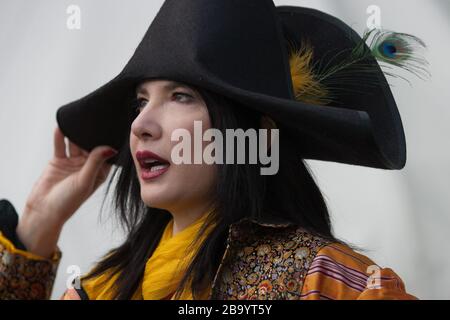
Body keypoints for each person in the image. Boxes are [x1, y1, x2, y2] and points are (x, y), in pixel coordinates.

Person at [0, 0, 422, 300]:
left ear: (256, 134)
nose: (141, 126)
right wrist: (38, 225)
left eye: (180, 96)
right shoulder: (102, 289)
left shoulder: (327, 282)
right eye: (139, 102)